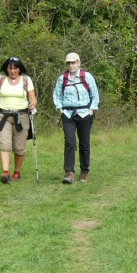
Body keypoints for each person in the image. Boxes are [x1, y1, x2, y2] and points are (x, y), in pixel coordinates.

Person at [53, 53, 100, 184]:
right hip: (68, 114)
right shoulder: (63, 79)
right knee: (69, 141)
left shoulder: (87, 76)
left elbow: (95, 94)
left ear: (79, 63)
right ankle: (69, 172)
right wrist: (60, 109)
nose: (71, 65)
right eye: (69, 63)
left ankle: (85, 171)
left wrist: (92, 109)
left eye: (73, 63)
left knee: (84, 143)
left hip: (85, 113)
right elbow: (57, 95)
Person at [0, 56, 37, 184]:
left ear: (19, 69)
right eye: (10, 68)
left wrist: (32, 104)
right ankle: (6, 172)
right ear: (7, 69)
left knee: (19, 147)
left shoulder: (26, 80)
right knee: (4, 143)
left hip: (21, 116)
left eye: (15, 68)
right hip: (4, 115)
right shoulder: (0, 80)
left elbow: (33, 98)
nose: (12, 71)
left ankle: (17, 171)